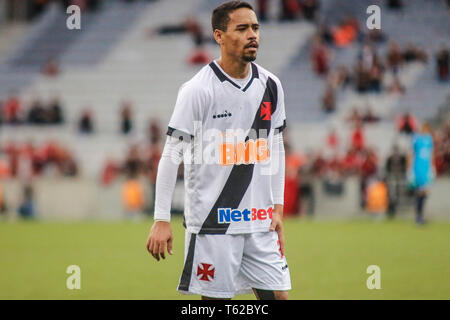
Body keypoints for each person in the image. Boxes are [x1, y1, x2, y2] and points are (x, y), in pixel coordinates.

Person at [146, 1, 290, 300]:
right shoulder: (198, 90)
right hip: (214, 224)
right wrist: (161, 218)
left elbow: (275, 146)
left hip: (260, 221)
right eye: (242, 28)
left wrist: (277, 206)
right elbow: (172, 155)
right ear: (219, 36)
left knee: (278, 297)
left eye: (255, 27)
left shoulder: (271, 86)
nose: (252, 35)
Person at [408, 123, 435, 225]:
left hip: (426, 168)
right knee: (419, 192)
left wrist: (432, 167)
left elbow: (431, 153)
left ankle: (421, 216)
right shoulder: (416, 139)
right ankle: (418, 216)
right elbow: (411, 154)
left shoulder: (429, 139)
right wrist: (410, 169)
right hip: (418, 168)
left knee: (425, 192)